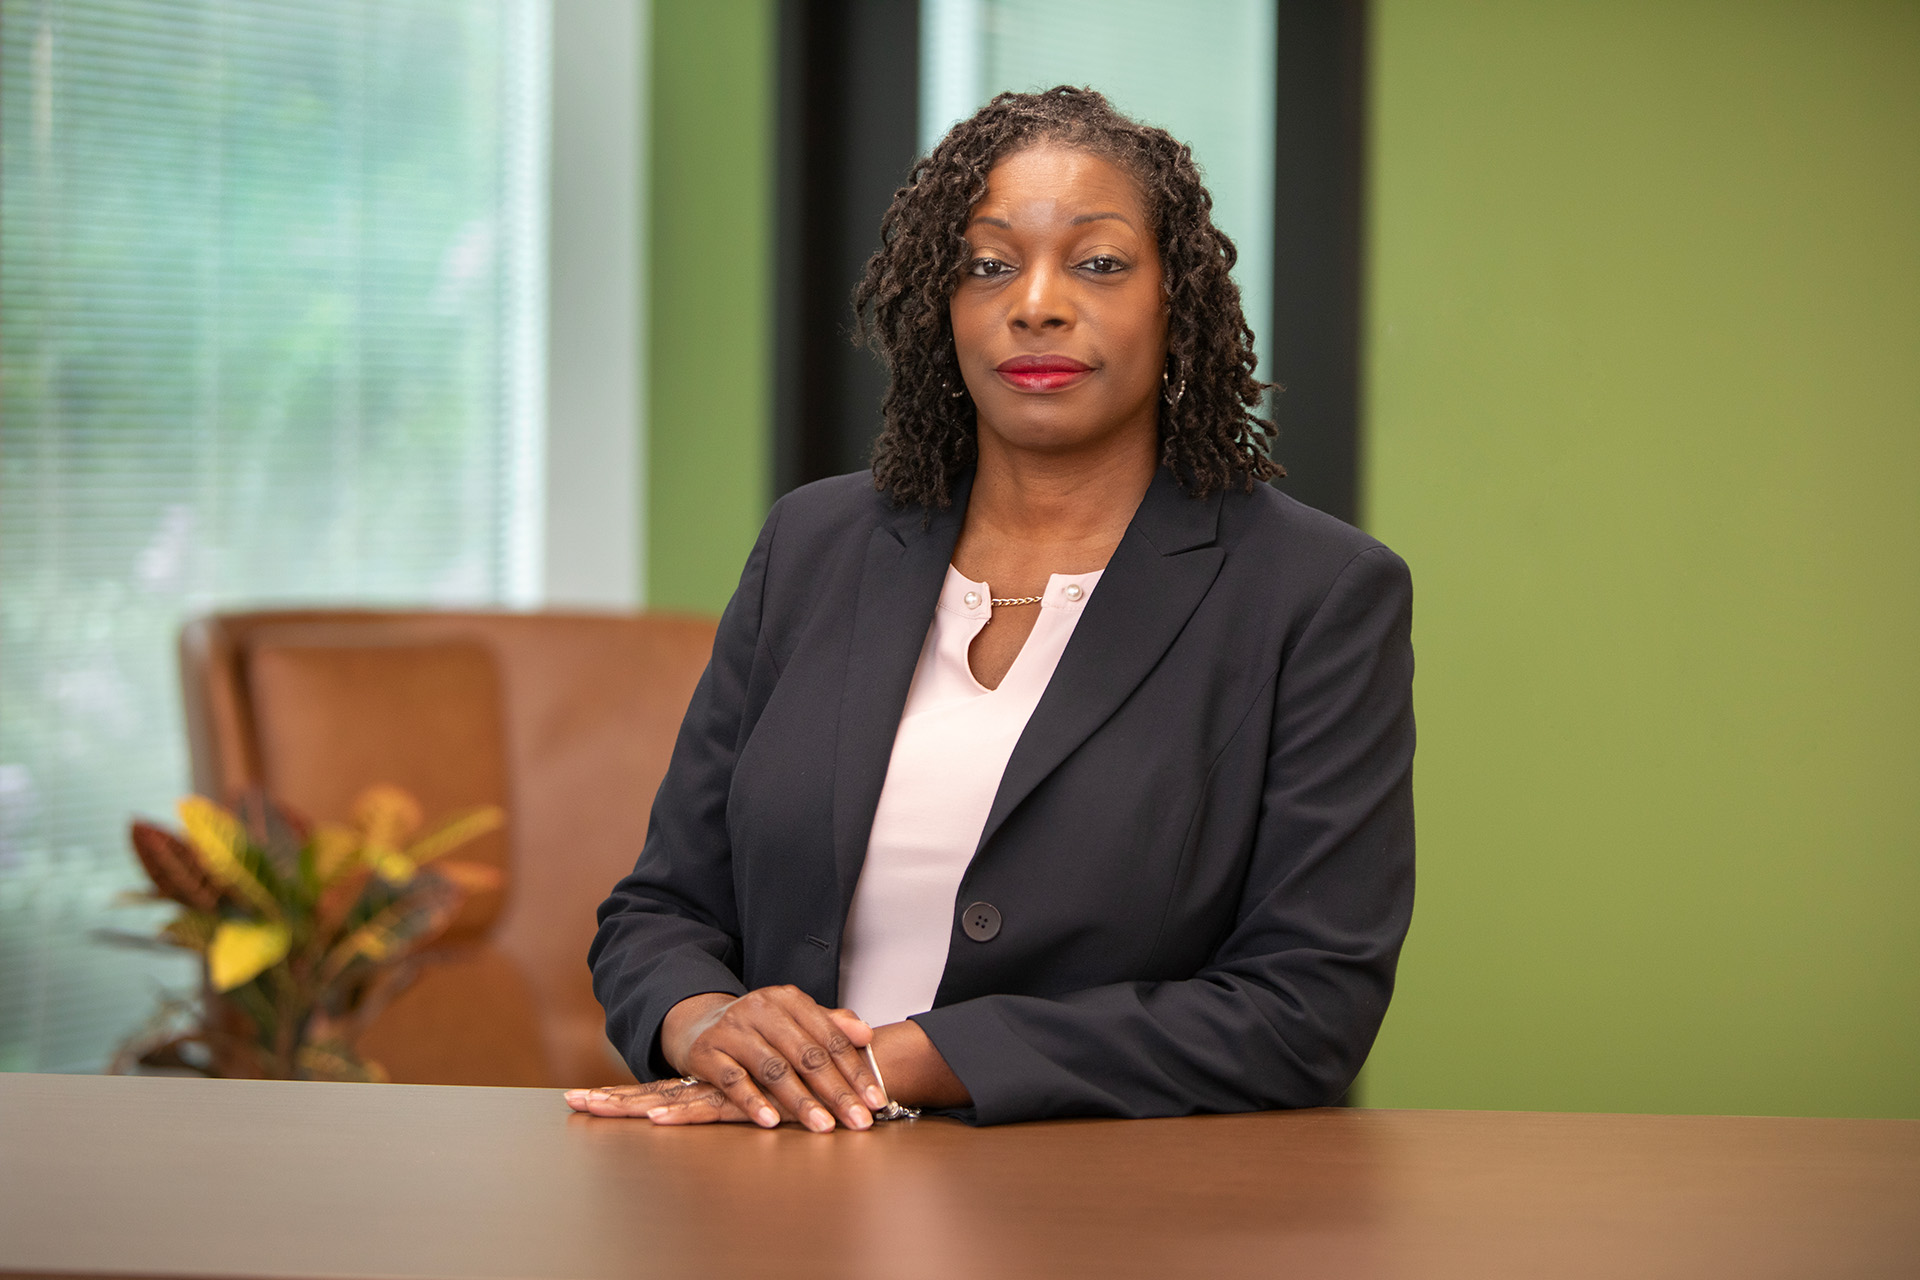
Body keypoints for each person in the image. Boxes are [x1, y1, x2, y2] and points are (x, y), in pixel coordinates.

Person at [567, 87, 1414, 1130]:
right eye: (987, 264)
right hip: (774, 1179)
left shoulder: (1315, 592)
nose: (1037, 303)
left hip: (1113, 1209)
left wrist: (904, 1059)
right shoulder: (814, 545)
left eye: (1098, 262)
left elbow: (1306, 1006)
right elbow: (660, 908)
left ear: (1176, 301)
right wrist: (704, 1022)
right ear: (943, 308)